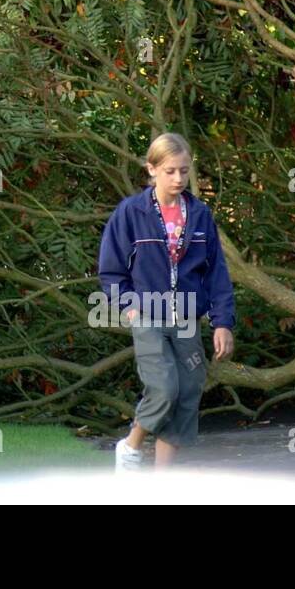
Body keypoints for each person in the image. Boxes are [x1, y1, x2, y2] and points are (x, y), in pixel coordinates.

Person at [97, 132, 236, 473]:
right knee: (164, 388)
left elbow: (216, 272)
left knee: (188, 391)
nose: (178, 178)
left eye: (184, 171)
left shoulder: (200, 215)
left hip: (188, 317)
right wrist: (131, 307)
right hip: (148, 314)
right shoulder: (130, 213)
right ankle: (130, 447)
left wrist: (222, 322)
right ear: (152, 169)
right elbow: (111, 271)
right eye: (170, 170)